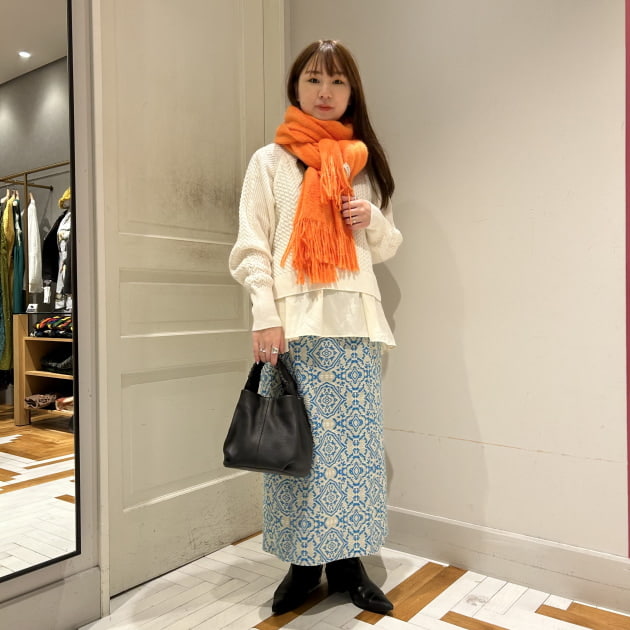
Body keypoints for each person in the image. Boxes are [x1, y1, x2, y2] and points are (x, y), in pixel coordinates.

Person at [229, 39, 402, 615]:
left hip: (354, 323)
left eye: (337, 81)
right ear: (296, 87)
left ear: (352, 92)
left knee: (352, 454)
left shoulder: (365, 162)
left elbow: (387, 245)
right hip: (295, 324)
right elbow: (253, 246)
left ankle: (349, 564)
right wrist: (264, 314)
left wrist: (370, 218)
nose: (325, 91)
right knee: (296, 452)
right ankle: (303, 566)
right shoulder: (269, 162)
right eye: (313, 79)